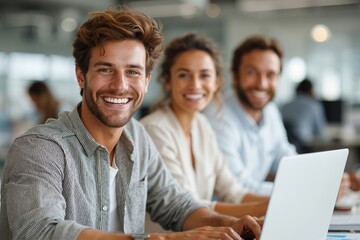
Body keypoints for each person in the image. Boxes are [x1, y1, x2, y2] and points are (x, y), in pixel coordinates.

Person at [0, 7, 262, 240]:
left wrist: (230, 225)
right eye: (105, 69)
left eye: (133, 71)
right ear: (81, 75)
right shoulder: (39, 149)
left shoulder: (137, 136)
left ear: (147, 80)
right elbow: (40, 231)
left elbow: (175, 204)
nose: (120, 85)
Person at [140, 33, 269, 220]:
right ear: (168, 81)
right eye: (184, 75)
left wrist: (274, 201)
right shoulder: (154, 130)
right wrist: (264, 208)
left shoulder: (202, 125)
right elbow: (187, 206)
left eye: (205, 75)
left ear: (216, 82)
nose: (195, 85)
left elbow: (232, 191)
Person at [203, 35, 350, 198]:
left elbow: (287, 160)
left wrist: (322, 180)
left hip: (258, 213)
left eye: (271, 75)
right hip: (223, 217)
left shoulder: (270, 110)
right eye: (252, 73)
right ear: (235, 76)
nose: (262, 84)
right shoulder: (217, 117)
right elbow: (237, 188)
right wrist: (312, 189)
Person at [280, 78, 327, 153]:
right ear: (311, 91)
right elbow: (320, 132)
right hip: (304, 147)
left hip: (284, 148)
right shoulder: (314, 105)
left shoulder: (285, 105)